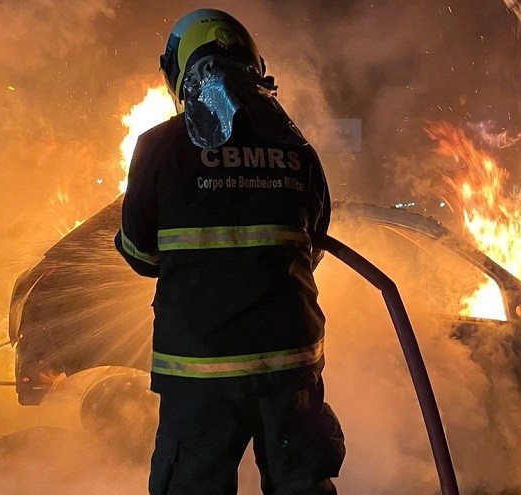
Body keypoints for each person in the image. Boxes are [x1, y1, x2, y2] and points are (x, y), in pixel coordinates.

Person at [114, 8, 344, 494]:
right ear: (254, 67)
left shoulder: (159, 147)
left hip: (201, 371)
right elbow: (313, 245)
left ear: (180, 70)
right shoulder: (298, 149)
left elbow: (140, 256)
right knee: (302, 486)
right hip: (292, 366)